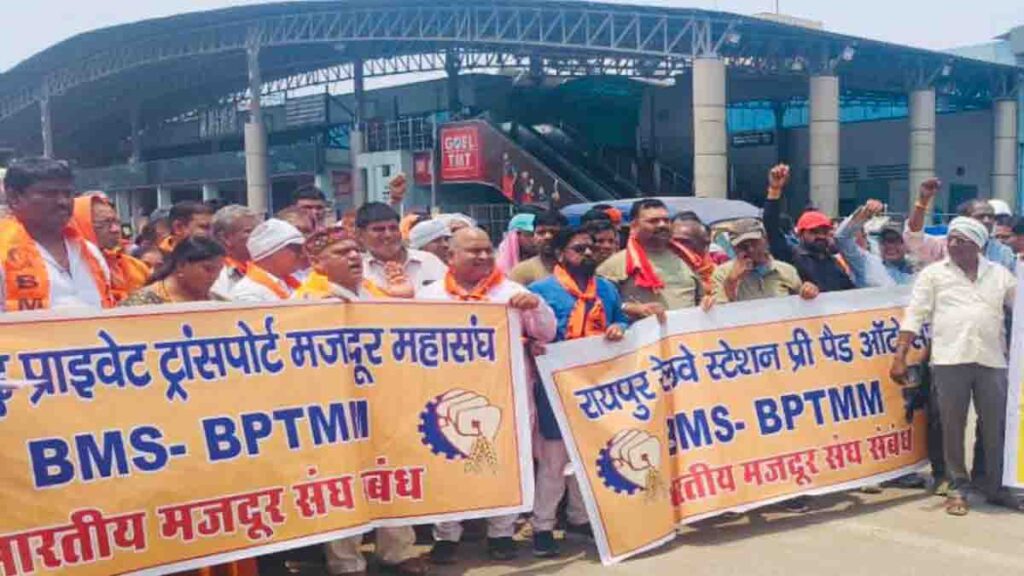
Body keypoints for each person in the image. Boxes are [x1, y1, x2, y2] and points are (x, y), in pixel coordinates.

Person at [290, 227, 429, 576]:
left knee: (390, 474)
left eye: (355, 250)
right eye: (342, 253)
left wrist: (404, 299)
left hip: (382, 401)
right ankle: (346, 562)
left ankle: (398, 551)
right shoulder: (307, 302)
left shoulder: (371, 290)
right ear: (319, 265)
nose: (354, 257)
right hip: (334, 408)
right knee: (342, 484)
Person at [419, 227, 556, 565]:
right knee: (447, 464)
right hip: (447, 397)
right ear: (450, 257)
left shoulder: (512, 292)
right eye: (473, 251)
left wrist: (535, 307)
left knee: (505, 463)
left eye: (487, 251)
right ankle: (447, 536)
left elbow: (547, 333)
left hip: (506, 394)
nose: (482, 256)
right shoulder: (429, 297)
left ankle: (502, 533)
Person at [891, 217, 1023, 516]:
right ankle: (956, 485)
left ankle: (994, 486)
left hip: (992, 360)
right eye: (950, 239)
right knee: (952, 426)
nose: (952, 245)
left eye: (960, 240)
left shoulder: (1000, 274)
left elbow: (1021, 307)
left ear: (978, 244)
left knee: (996, 426)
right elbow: (915, 315)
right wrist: (900, 355)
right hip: (949, 359)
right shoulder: (934, 275)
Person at [527, 226, 630, 557]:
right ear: (559, 255)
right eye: (578, 249)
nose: (588, 253)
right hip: (555, 387)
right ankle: (542, 526)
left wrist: (620, 328)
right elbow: (524, 333)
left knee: (589, 456)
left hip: (598, 385)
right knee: (555, 462)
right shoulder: (540, 291)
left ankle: (579, 517)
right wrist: (531, 345)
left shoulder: (607, 290)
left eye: (591, 248)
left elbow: (622, 321)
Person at [0, 157, 112, 311]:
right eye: (49, 194)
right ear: (14, 197)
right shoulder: (3, 252)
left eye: (67, 194)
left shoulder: (90, 251)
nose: (63, 202)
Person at [597, 199, 704, 321]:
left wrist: (706, 303)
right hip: (642, 337)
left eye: (666, 220)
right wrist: (630, 308)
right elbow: (597, 304)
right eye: (653, 221)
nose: (662, 225)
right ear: (634, 226)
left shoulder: (687, 259)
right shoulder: (616, 264)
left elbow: (700, 299)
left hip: (686, 335)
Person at [763, 164, 855, 292]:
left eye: (824, 231)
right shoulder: (791, 257)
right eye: (814, 232)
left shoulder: (834, 263)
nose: (821, 236)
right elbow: (770, 225)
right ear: (800, 234)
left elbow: (852, 294)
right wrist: (774, 190)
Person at [904, 179, 1016, 271]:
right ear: (964, 219)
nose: (987, 221)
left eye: (991, 216)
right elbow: (914, 236)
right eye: (980, 216)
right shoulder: (944, 246)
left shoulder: (1003, 252)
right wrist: (923, 201)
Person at [712, 219, 819, 303]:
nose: (751, 250)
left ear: (765, 240)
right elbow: (720, 317)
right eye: (743, 246)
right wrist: (731, 281)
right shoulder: (722, 274)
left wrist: (808, 293)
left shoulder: (786, 271)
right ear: (734, 248)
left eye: (754, 243)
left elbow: (801, 308)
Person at [70, 192, 151, 304]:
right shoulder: (69, 270)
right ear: (81, 224)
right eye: (105, 223)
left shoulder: (135, 267)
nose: (115, 229)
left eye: (116, 222)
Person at [357, 202, 446, 296]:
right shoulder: (359, 271)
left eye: (393, 228)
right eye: (379, 229)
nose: (388, 235)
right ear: (360, 235)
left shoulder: (429, 262)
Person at [120, 236, 225, 306]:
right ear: (181, 265)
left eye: (219, 270)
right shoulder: (141, 304)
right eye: (208, 269)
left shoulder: (220, 305)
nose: (214, 276)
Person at [834, 200, 916, 287]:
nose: (890, 246)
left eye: (896, 241)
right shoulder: (867, 262)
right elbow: (841, 238)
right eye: (884, 241)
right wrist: (865, 213)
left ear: (906, 244)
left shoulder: (920, 268)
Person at [228, 219, 305, 302]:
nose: (301, 254)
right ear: (272, 252)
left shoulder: (294, 281)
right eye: (296, 249)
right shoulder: (247, 292)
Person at [209, 205, 261, 300]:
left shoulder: (267, 267)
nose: (258, 236)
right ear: (225, 238)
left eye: (259, 230)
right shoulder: (213, 273)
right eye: (249, 231)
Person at [509, 210, 567, 286]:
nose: (548, 237)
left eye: (553, 232)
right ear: (534, 237)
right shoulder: (522, 271)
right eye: (541, 232)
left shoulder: (576, 268)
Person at [670, 212, 717, 292]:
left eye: (683, 242)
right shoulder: (661, 273)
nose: (676, 246)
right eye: (671, 242)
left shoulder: (721, 276)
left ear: (705, 244)